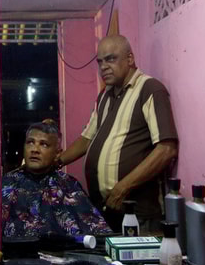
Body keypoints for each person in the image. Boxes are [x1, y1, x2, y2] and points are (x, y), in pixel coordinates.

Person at [57, 35, 178, 234]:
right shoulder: (105, 95)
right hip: (106, 210)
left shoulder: (150, 89)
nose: (103, 67)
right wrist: (56, 161)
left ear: (129, 59)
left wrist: (123, 187)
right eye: (100, 62)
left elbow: (166, 149)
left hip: (138, 213)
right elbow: (87, 139)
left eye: (110, 59)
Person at [1, 120, 113, 239]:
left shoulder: (69, 185)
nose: (35, 149)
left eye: (44, 144)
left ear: (57, 154)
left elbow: (100, 234)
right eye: (30, 142)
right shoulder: (7, 183)